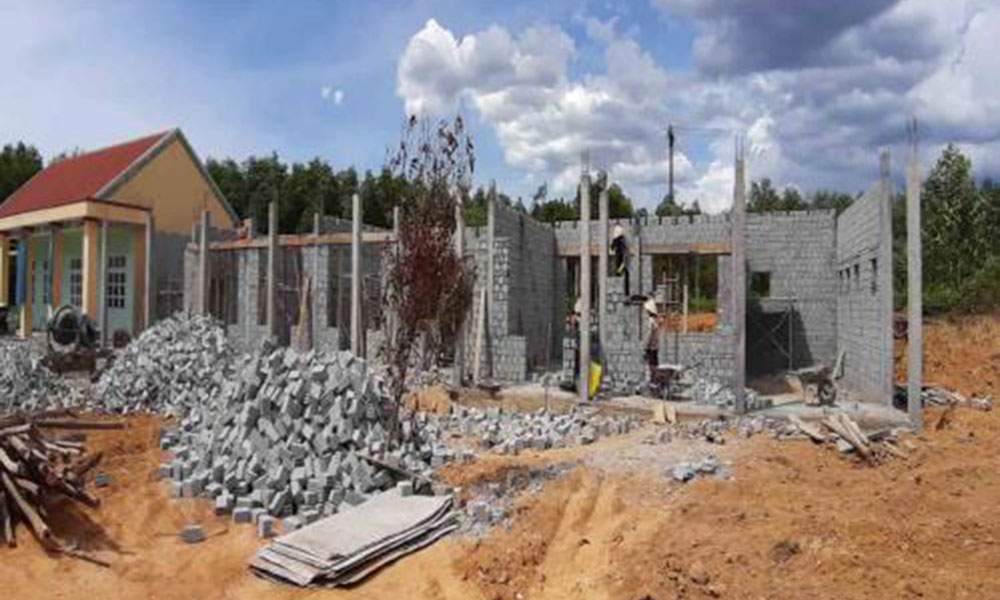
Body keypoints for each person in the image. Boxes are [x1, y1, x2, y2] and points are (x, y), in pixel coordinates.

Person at [610, 225, 630, 295]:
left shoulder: (619, 240)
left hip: (620, 255)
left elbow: (612, 247)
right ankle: (618, 274)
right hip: (620, 255)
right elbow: (613, 247)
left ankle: (618, 274)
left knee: (621, 268)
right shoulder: (621, 239)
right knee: (621, 268)